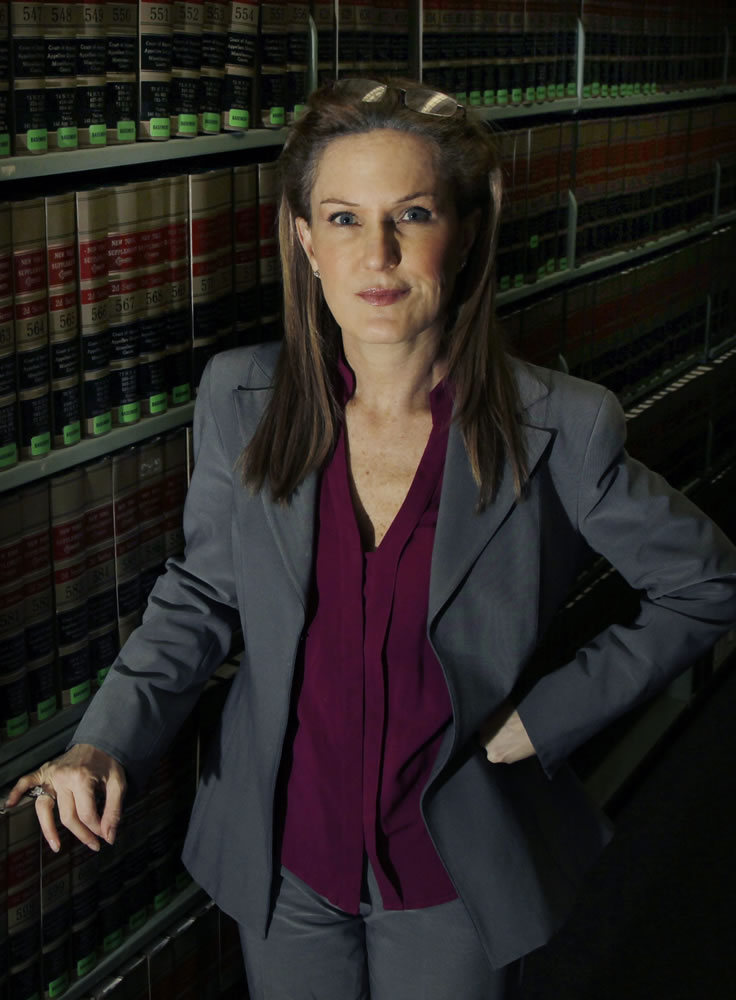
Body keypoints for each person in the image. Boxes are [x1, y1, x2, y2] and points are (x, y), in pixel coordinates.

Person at [7, 79, 736, 999]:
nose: (378, 254)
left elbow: (708, 584)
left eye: (414, 214)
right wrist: (102, 743)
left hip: (448, 869)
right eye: (344, 218)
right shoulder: (241, 399)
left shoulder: (561, 425)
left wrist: (541, 723)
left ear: (466, 234)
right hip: (288, 856)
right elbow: (201, 596)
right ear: (306, 242)